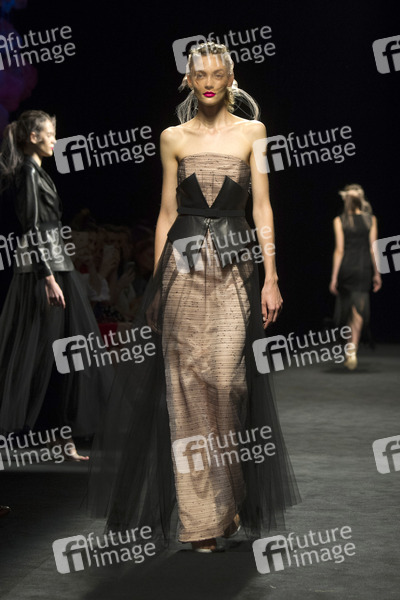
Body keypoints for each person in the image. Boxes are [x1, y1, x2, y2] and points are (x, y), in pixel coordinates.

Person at [89, 42, 299, 553]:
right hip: (181, 272)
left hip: (234, 272)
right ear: (188, 79)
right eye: (199, 74)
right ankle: (202, 521)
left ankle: (228, 497)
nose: (208, 82)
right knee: (185, 388)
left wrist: (271, 276)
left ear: (230, 78)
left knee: (227, 384)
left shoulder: (253, 132)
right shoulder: (172, 138)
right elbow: (166, 212)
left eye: (216, 74)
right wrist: (157, 284)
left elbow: (263, 209)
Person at [0, 110, 112, 458]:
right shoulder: (27, 174)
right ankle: (48, 435)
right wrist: (47, 277)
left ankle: (60, 438)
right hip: (43, 272)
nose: (54, 140)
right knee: (36, 354)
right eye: (49, 134)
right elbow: (31, 228)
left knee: (63, 352)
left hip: (56, 266)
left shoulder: (36, 172)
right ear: (33, 137)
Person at [329, 184, 382, 369]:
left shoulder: (339, 220)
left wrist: (334, 277)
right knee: (359, 309)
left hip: (347, 268)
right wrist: (377, 273)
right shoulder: (371, 220)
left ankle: (348, 348)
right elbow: (373, 249)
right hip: (363, 268)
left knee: (347, 309)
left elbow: (339, 250)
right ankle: (352, 350)